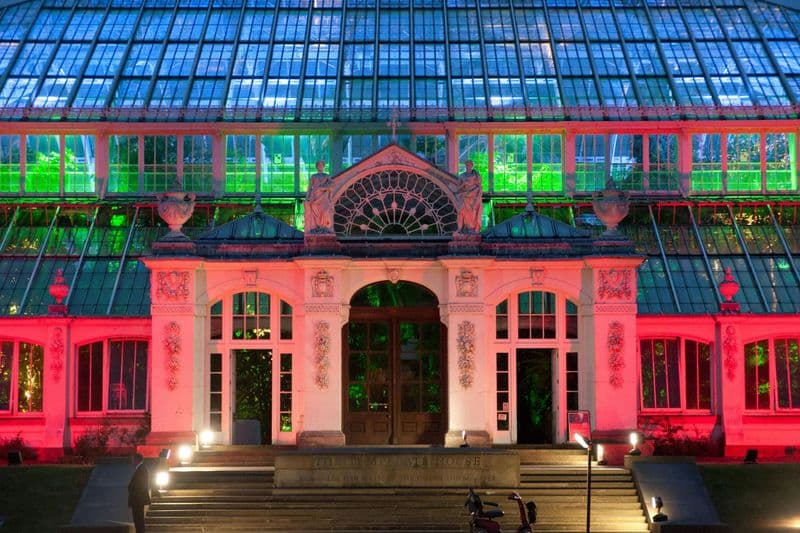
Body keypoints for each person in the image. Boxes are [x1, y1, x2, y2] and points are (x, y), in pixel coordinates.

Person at [305, 160, 333, 233]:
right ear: (316, 167)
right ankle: (318, 226)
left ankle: (324, 227)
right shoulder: (313, 176)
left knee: (325, 211)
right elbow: (310, 187)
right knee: (315, 212)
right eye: (318, 165)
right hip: (314, 196)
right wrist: (307, 197)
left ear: (323, 166)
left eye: (321, 165)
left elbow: (331, 185)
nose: (320, 167)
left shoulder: (326, 176)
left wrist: (324, 188)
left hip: (323, 196)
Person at [456, 159, 482, 234]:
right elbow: (458, 188)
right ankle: (463, 228)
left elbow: (479, 186)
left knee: (473, 212)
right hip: (465, 197)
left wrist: (478, 197)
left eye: (470, 165)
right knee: (463, 213)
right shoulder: (462, 176)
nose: (469, 166)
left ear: (472, 166)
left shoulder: (476, 174)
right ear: (465, 165)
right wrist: (464, 184)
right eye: (467, 165)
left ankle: (472, 229)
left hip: (474, 197)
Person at [128, 453, 150, 533]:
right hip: (137, 500)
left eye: (133, 459)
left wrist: (131, 488)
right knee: (138, 520)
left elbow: (139, 484)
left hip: (138, 500)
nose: (132, 461)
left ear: (137, 460)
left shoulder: (141, 469)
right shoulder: (140, 469)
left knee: (138, 520)